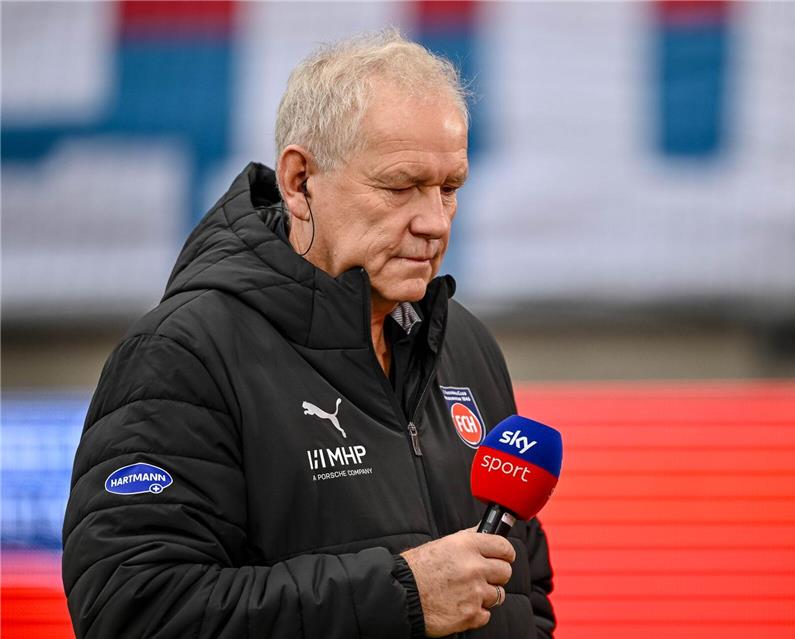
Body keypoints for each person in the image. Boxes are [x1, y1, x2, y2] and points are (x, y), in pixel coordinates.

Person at [61, 30, 554, 639]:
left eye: (449, 189)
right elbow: (135, 611)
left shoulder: (466, 346)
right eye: (400, 186)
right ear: (299, 182)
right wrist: (399, 594)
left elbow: (525, 591)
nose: (434, 222)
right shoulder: (182, 354)